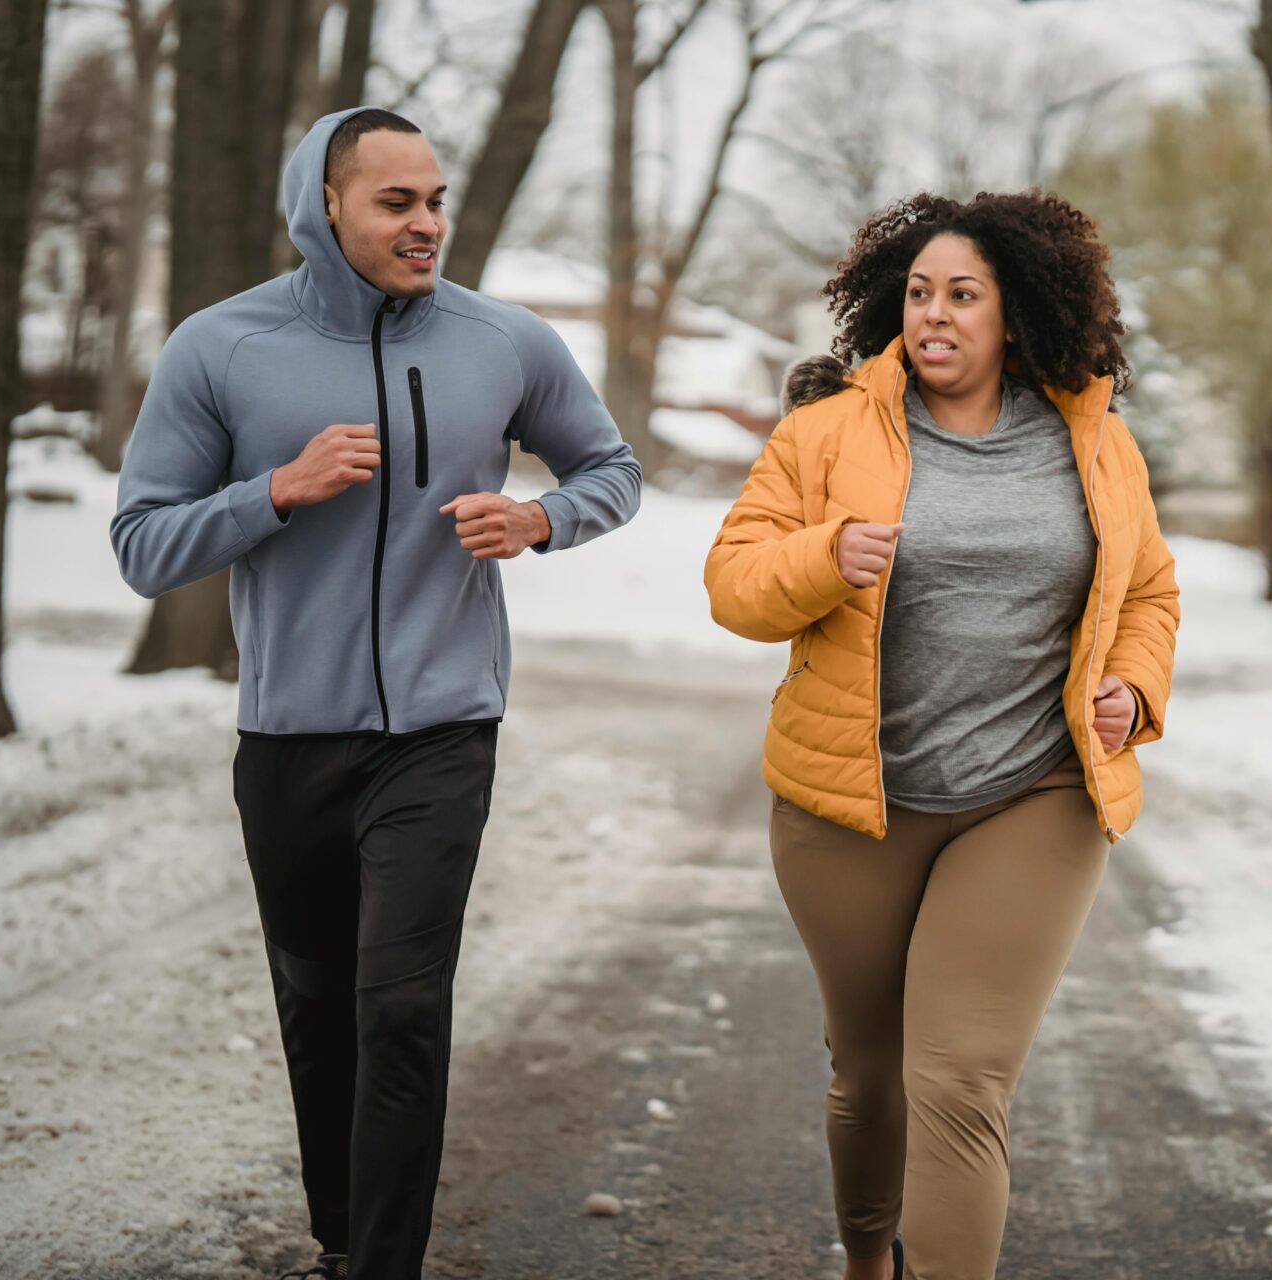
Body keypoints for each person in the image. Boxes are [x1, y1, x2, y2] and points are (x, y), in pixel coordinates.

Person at [111, 107, 640, 1280]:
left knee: (401, 1004)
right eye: (398, 202)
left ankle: (381, 1265)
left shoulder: (502, 340)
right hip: (288, 737)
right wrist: (275, 492)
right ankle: (344, 1235)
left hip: (442, 731)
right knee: (321, 1007)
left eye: (436, 199)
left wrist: (542, 516)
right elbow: (142, 544)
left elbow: (614, 468)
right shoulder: (222, 346)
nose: (428, 224)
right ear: (328, 207)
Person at [704, 191, 1180, 1280]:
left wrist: (1131, 687)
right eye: (919, 293)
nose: (936, 314)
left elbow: (1150, 592)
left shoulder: (1094, 441)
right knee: (868, 1074)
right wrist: (828, 554)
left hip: (1034, 795)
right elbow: (734, 585)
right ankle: (869, 1258)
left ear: (1016, 314)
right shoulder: (824, 434)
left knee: (959, 1078)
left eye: (964, 294)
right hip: (851, 806)